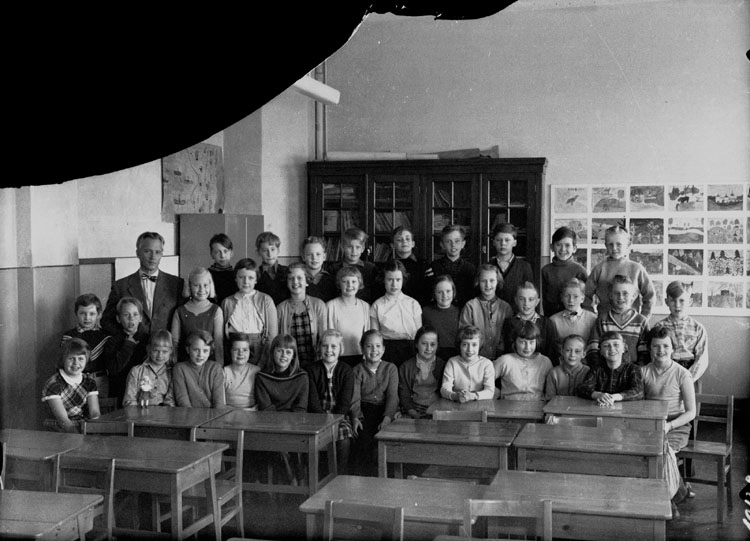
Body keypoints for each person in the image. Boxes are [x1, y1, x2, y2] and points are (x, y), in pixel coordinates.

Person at [641, 326, 696, 513]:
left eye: (665, 346)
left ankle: (667, 501)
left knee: (663, 453)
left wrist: (670, 426)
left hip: (676, 424)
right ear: (650, 348)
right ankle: (679, 492)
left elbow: (691, 412)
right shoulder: (643, 372)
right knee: (644, 453)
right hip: (651, 424)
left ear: (673, 349)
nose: (661, 350)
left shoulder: (682, 374)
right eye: (656, 346)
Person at [102, 231, 185, 336]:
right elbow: (106, 321)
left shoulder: (177, 284)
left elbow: (183, 321)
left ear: (162, 254)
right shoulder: (120, 286)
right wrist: (127, 338)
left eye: (157, 252)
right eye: (147, 251)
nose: (153, 257)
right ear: (138, 253)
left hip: (164, 346)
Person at [350, 329, 399, 476]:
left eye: (378, 346)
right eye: (369, 346)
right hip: (365, 411)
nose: (374, 350)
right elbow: (355, 398)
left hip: (384, 410)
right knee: (365, 441)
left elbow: (392, 396)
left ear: (383, 349)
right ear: (362, 349)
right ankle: (366, 479)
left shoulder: (390, 368)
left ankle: (385, 478)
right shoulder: (357, 370)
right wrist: (356, 417)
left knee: (385, 441)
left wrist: (387, 418)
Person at [307, 329, 355, 474]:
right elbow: (313, 401)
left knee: (344, 436)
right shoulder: (311, 370)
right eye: (325, 346)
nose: (329, 350)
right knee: (312, 437)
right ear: (319, 348)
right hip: (316, 417)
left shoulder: (346, 371)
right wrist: (323, 421)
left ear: (341, 349)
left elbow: (345, 403)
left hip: (339, 417)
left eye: (333, 346)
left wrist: (334, 421)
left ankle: (340, 474)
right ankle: (318, 475)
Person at [584, 226, 655, 317]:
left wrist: (643, 318)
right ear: (606, 245)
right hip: (604, 322)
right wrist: (591, 317)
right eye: (610, 244)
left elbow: (650, 296)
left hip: (631, 322)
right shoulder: (599, 269)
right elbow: (585, 295)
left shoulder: (637, 269)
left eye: (619, 244)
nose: (614, 248)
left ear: (628, 245)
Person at [653, 281, 709, 391]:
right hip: (666, 373)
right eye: (673, 301)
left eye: (682, 300)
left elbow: (702, 359)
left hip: (691, 374)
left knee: (690, 401)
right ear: (666, 302)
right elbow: (654, 354)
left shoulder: (698, 328)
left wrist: (688, 379)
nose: (677, 305)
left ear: (690, 301)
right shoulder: (659, 326)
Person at [221, 258, 278, 365]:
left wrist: (263, 361)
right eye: (241, 277)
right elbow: (223, 335)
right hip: (235, 348)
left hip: (260, 349)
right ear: (235, 278)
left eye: (250, 278)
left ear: (256, 280)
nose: (246, 282)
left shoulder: (266, 300)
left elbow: (272, 335)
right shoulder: (227, 302)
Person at [585, 275, 649, 367]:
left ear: (633, 296)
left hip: (632, 370)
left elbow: (645, 354)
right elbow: (593, 349)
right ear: (610, 295)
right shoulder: (602, 320)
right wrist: (600, 370)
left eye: (625, 293)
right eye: (616, 293)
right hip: (606, 369)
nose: (620, 297)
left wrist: (636, 371)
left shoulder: (641, 321)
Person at [369, 260, 422, 368]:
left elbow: (419, 334)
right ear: (384, 280)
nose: (394, 284)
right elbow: (375, 335)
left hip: (410, 350)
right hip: (387, 351)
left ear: (403, 280)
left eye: (398, 280)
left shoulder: (413, 304)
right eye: (390, 280)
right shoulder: (377, 305)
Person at [42, 338, 100, 433]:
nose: (76, 363)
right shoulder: (54, 383)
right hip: (58, 429)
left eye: (80, 359)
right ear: (63, 360)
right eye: (71, 358)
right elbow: (63, 419)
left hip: (82, 426)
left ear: (86, 360)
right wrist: (78, 437)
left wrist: (95, 433)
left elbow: (94, 412)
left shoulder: (89, 381)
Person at [277, 262, 328, 371]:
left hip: (315, 364)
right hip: (289, 365)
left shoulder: (318, 305)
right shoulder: (280, 308)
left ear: (307, 281)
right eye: (291, 278)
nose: (295, 282)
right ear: (287, 282)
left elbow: (324, 338)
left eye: (299, 278)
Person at [60, 293, 111, 397]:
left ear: (99, 314)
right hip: (74, 380)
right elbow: (64, 361)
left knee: (100, 406)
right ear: (76, 314)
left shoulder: (105, 336)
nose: (87, 318)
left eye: (92, 314)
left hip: (99, 381)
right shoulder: (70, 336)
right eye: (82, 313)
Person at [459, 264, 513, 360]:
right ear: (478, 282)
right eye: (483, 281)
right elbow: (464, 336)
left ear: (497, 282)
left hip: (500, 359)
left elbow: (508, 336)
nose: (488, 285)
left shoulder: (505, 308)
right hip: (475, 359)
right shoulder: (470, 306)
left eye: (492, 280)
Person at [171, 267, 224, 363]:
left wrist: (220, 366)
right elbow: (174, 343)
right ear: (189, 286)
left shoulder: (216, 311)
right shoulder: (179, 311)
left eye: (205, 285)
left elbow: (218, 343)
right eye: (196, 285)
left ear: (210, 285)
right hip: (185, 365)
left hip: (209, 365)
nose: (201, 289)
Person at [103, 296, 149, 406]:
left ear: (141, 318)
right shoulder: (112, 341)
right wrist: (128, 345)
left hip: (143, 391)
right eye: (126, 315)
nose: (131, 319)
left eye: (135, 314)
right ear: (118, 319)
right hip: (120, 391)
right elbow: (113, 369)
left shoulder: (148, 340)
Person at [577, 330, 644, 404]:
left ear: (624, 348)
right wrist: (598, 395)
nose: (611, 349)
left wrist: (614, 397)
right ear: (601, 351)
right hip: (599, 408)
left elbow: (639, 391)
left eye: (616, 345)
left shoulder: (633, 369)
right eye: (606, 346)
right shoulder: (596, 370)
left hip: (626, 409)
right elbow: (582, 388)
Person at [493, 320, 552, 401]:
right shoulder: (505, 361)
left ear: (537, 342)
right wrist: (495, 392)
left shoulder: (545, 362)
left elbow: (551, 389)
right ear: (515, 342)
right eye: (523, 342)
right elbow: (484, 379)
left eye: (531, 342)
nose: (527, 347)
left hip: (537, 405)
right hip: (508, 406)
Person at [326, 266, 371, 368]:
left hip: (360, 357)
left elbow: (368, 334)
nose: (350, 285)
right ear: (339, 284)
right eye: (345, 281)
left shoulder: (365, 307)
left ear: (359, 283)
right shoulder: (331, 306)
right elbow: (328, 334)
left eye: (354, 282)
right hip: (337, 357)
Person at [398, 326, 446, 419]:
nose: (428, 348)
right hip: (413, 409)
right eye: (424, 344)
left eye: (433, 344)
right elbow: (404, 395)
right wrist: (413, 413)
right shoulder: (406, 367)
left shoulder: (443, 365)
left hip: (437, 410)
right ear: (416, 344)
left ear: (437, 345)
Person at [424, 224, 476, 308]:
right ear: (442, 244)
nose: (453, 245)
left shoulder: (470, 269)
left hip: (464, 310)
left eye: (457, 241)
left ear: (463, 244)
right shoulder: (434, 267)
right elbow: (429, 294)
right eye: (448, 241)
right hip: (441, 310)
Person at [254, 334, 309, 412]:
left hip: (295, 419)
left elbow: (300, 408)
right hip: (269, 418)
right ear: (272, 352)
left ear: (293, 356)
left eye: (288, 352)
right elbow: (266, 408)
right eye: (279, 351)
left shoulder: (302, 377)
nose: (284, 355)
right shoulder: (262, 377)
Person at [541, 226, 588, 317]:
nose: (563, 249)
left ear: (574, 248)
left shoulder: (580, 271)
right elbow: (543, 299)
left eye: (567, 245)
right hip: (551, 317)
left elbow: (586, 300)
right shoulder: (546, 270)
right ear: (552, 247)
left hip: (575, 318)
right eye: (558, 245)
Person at [547, 278, 597, 364]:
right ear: (561, 298)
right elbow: (553, 348)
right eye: (567, 296)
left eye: (575, 296)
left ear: (582, 298)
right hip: (562, 364)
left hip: (587, 364)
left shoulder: (592, 318)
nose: (571, 300)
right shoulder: (553, 320)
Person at [440, 325, 495, 402]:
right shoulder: (452, 362)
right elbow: (444, 389)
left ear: (479, 346)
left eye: (474, 345)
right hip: (457, 403)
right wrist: (455, 396)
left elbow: (490, 392)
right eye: (465, 344)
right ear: (459, 345)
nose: (470, 349)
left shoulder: (487, 364)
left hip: (480, 404)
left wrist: (472, 396)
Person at [172, 330, 226, 407]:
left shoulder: (215, 368)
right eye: (196, 350)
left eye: (205, 351)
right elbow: (183, 401)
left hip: (213, 413)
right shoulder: (179, 369)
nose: (200, 355)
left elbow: (219, 402)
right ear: (188, 349)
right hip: (188, 413)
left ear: (210, 351)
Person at [501, 282, 553, 360]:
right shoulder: (508, 323)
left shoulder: (546, 323)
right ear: (516, 300)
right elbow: (506, 350)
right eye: (522, 299)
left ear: (537, 302)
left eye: (531, 299)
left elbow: (551, 351)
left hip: (540, 365)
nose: (526, 303)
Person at [122, 329, 175, 406]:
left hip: (163, 412)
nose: (160, 355)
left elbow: (170, 401)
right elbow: (129, 400)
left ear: (171, 351)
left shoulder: (171, 373)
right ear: (149, 349)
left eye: (164, 351)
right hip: (139, 411)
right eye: (156, 350)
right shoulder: (136, 371)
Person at [488, 223, 534, 309]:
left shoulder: (524, 267)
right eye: (499, 240)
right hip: (492, 313)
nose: (503, 244)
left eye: (507, 240)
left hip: (517, 314)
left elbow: (530, 295)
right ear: (493, 242)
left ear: (514, 243)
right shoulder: (487, 267)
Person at [328, 227, 378, 304]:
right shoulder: (334, 269)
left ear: (363, 248)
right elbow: (331, 293)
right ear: (343, 247)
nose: (354, 251)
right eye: (350, 247)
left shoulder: (371, 268)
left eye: (357, 247)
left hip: (364, 307)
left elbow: (375, 293)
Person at [421, 275, 460, 362]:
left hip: (455, 357)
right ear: (434, 294)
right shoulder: (426, 312)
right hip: (432, 356)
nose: (444, 295)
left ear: (453, 292)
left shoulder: (460, 312)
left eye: (448, 291)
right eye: (440, 292)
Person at [386, 225, 427, 303]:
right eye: (399, 240)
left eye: (407, 239)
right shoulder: (388, 266)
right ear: (392, 245)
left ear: (413, 244)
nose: (404, 241)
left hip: (418, 305)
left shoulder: (423, 265)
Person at [544, 334, 589, 400]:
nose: (572, 355)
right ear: (562, 351)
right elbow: (549, 399)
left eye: (577, 351)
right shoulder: (554, 373)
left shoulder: (589, 372)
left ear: (584, 354)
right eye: (568, 350)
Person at [223, 332, 261, 409]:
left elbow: (260, 401)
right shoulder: (224, 372)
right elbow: (222, 403)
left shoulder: (256, 371)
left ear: (250, 351)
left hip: (251, 412)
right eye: (236, 350)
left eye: (245, 350)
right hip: (229, 412)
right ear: (230, 351)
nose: (240, 353)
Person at [255, 231, 290, 306]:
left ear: (278, 251)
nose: (270, 254)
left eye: (273, 249)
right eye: (265, 250)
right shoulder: (256, 274)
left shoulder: (287, 271)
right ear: (259, 252)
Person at [302, 236, 338, 303]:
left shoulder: (332, 280)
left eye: (318, 254)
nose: (314, 258)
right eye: (309, 254)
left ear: (324, 256)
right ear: (303, 257)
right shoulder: (298, 279)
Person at [207, 233, 238, 305]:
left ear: (231, 253)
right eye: (218, 252)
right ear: (212, 254)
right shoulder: (206, 275)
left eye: (225, 251)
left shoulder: (237, 275)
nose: (222, 256)